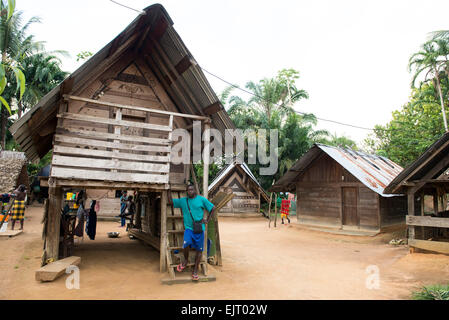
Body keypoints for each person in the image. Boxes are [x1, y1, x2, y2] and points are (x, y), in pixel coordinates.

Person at [168, 184, 215, 281]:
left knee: (199, 249)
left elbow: (212, 208)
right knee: (186, 244)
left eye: (191, 190)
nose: (190, 191)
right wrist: (168, 189)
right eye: (188, 190)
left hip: (199, 228)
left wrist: (207, 220)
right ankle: (185, 261)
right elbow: (170, 201)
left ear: (195, 190)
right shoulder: (184, 201)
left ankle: (195, 271)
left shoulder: (201, 199)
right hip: (189, 228)